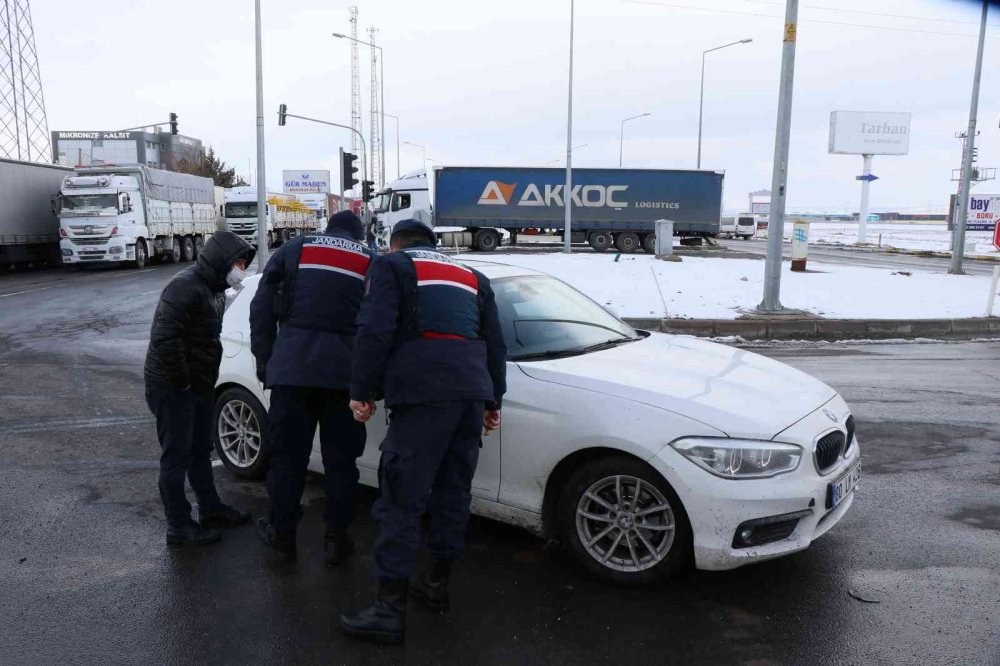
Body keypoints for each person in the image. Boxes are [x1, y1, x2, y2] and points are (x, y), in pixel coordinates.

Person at [340, 219, 507, 644]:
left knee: (401, 500)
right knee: (453, 495)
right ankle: (435, 586)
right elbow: (495, 343)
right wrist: (493, 401)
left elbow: (374, 329)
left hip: (423, 396)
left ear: (395, 244)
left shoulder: (393, 266)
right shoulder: (472, 275)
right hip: (470, 394)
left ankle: (388, 611)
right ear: (433, 244)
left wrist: (361, 391)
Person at [249, 211, 375, 564]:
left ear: (329, 228)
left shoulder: (296, 248)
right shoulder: (370, 260)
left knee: (287, 460)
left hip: (292, 373)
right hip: (344, 379)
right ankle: (336, 539)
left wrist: (267, 362)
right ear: (359, 235)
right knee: (341, 462)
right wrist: (369, 385)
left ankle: (282, 536)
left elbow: (261, 309)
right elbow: (378, 326)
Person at [144, 230, 256, 545]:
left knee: (199, 451)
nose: (240, 269)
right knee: (176, 456)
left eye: (243, 263)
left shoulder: (214, 288)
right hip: (173, 386)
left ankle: (210, 509)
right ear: (221, 260)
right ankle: (178, 525)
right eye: (237, 263)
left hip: (198, 384)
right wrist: (183, 385)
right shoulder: (184, 286)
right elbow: (166, 340)